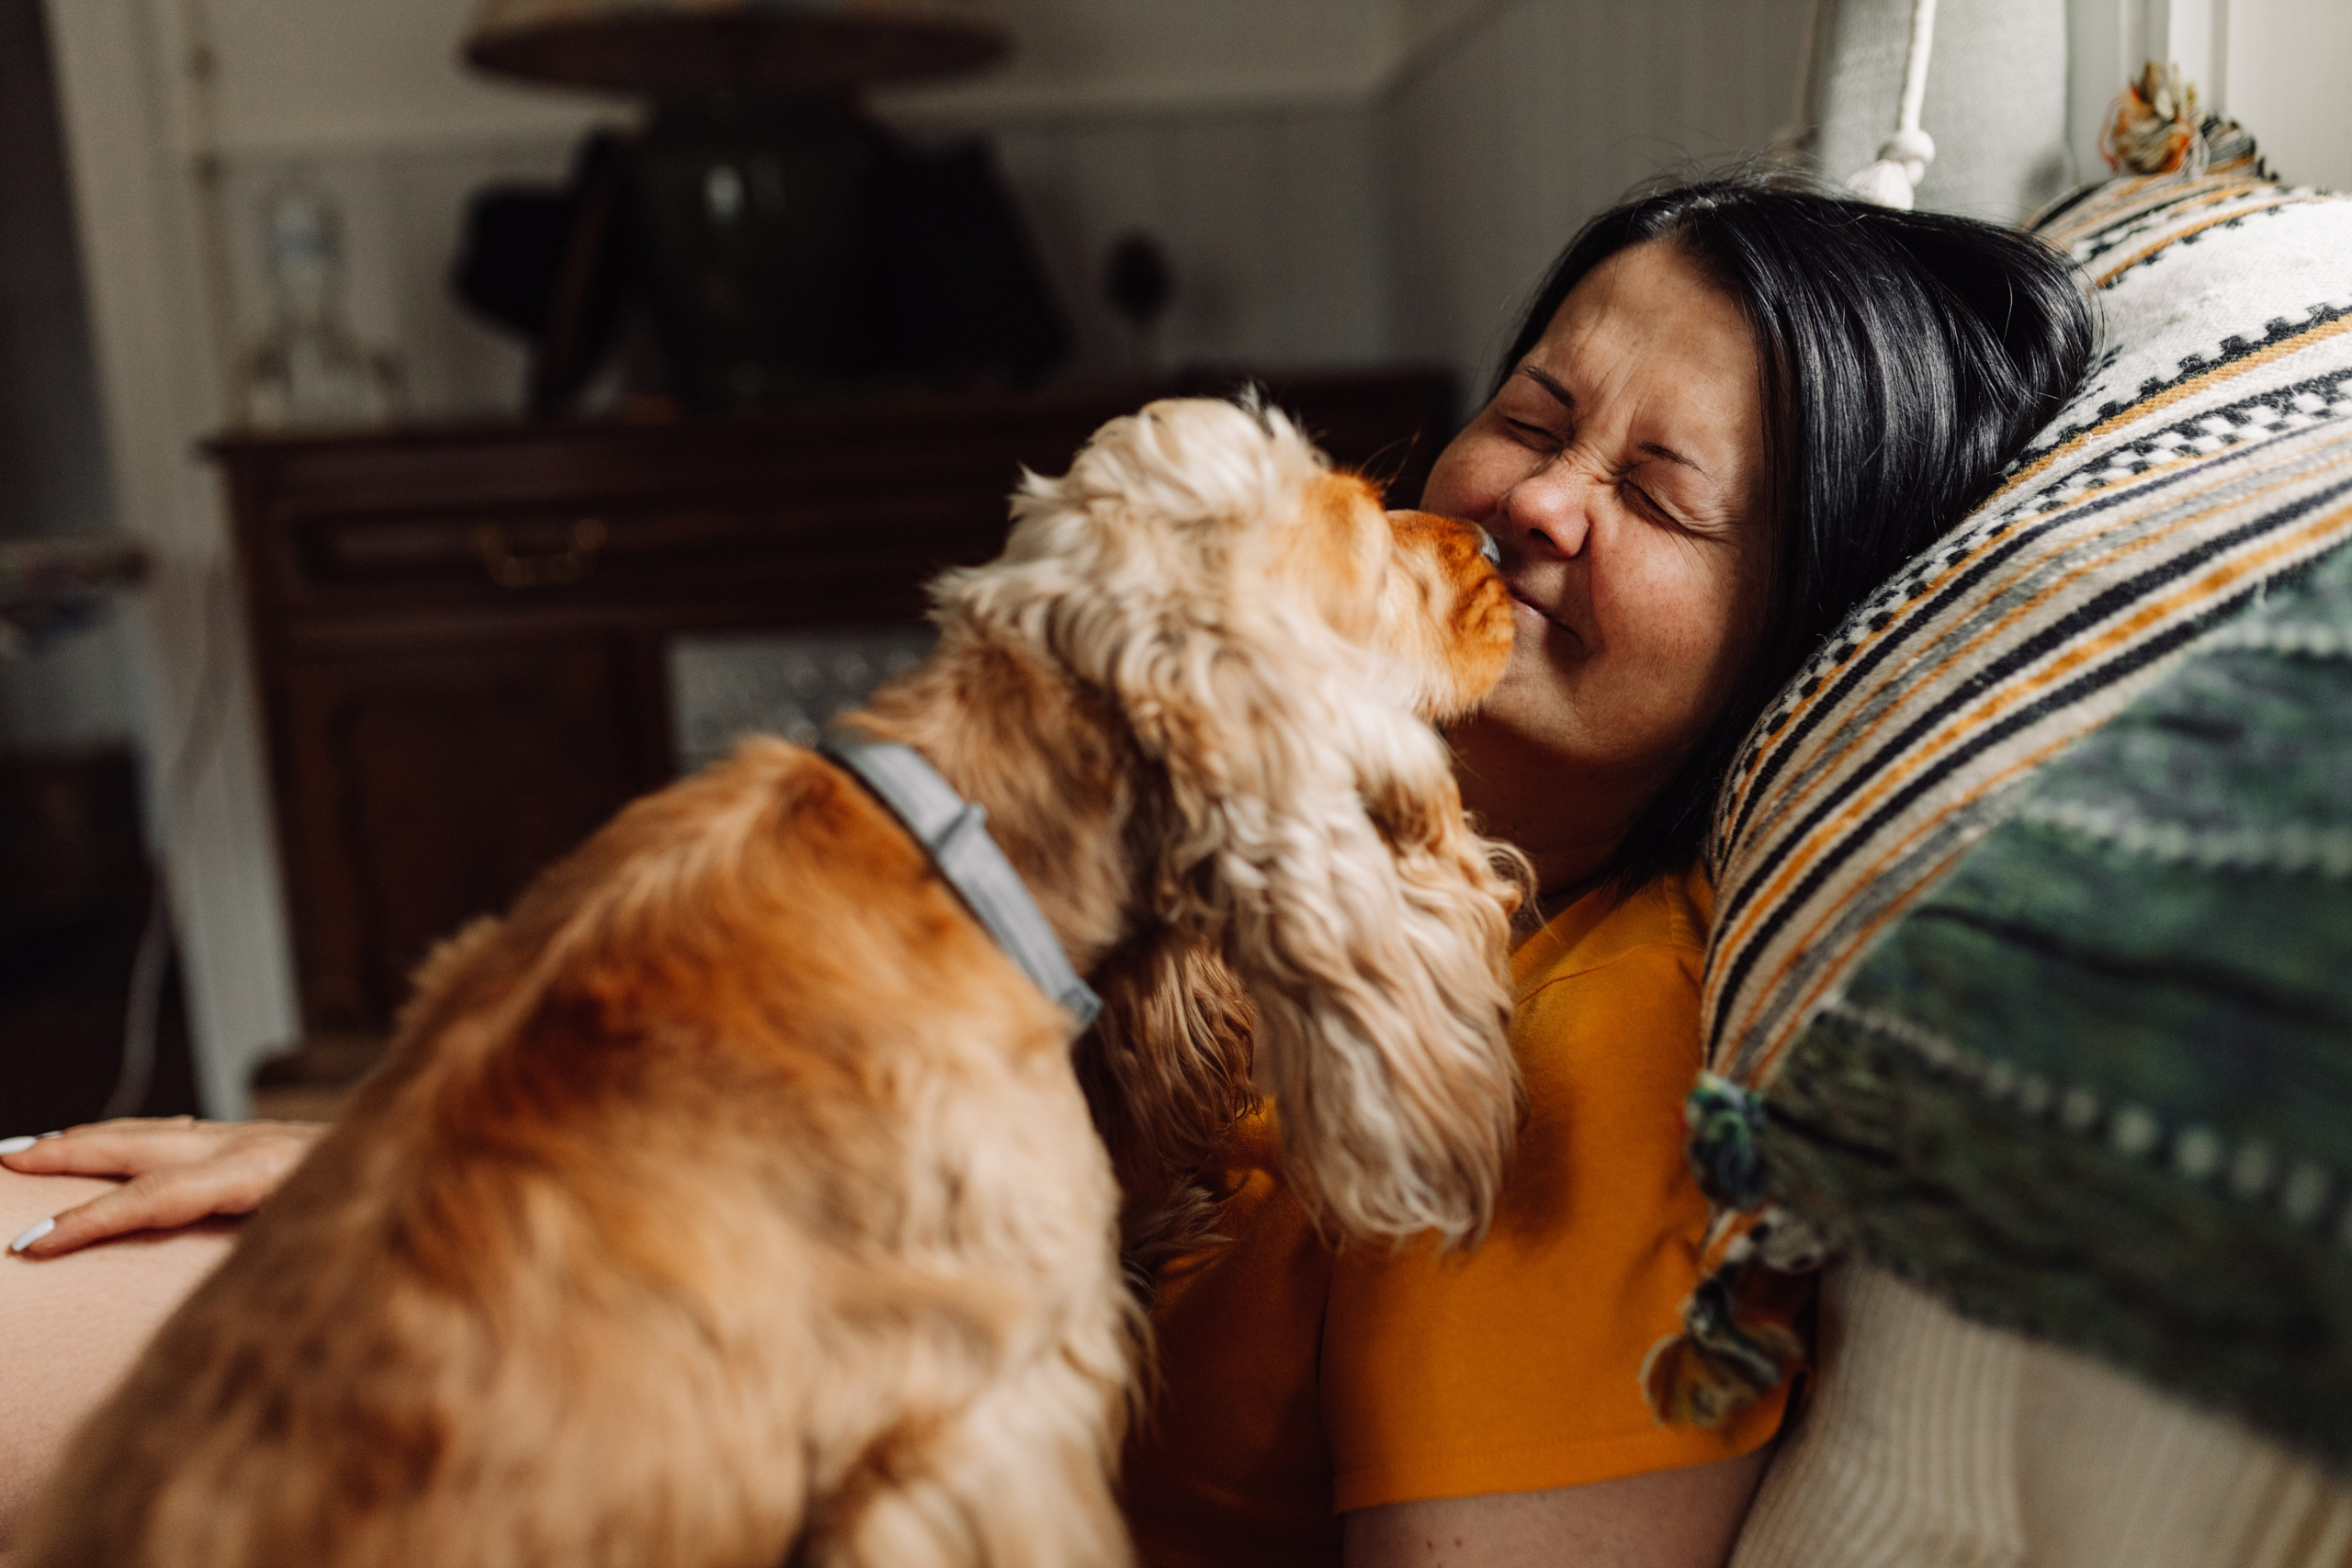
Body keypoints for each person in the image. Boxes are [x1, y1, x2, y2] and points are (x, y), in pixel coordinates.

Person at [0, 173, 2093, 1564]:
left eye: (1661, 493)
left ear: (1792, 625)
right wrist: (469, 1156)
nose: (1532, 504)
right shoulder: (1227, 859)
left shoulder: (1589, 1053)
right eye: (1534, 414)